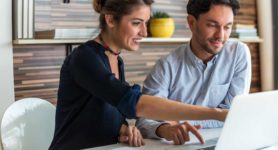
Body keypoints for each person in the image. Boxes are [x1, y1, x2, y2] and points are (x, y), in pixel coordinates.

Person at [49, 0, 229, 149]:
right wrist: (216, 113)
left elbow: (104, 110)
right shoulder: (84, 58)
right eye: (136, 23)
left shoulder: (115, 59)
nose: (144, 32)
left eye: (146, 23)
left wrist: (123, 129)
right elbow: (137, 104)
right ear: (111, 20)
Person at [137, 0, 252, 145]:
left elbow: (232, 114)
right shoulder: (166, 66)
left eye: (227, 27)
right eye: (212, 25)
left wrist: (177, 120)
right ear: (191, 22)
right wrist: (165, 128)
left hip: (224, 142)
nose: (221, 36)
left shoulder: (238, 53)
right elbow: (144, 118)